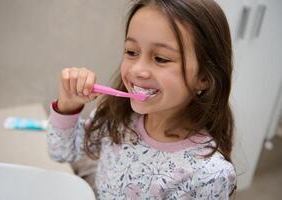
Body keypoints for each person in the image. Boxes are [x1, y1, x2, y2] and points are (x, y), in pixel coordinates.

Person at [46, 0, 237, 199]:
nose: (137, 70)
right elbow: (61, 153)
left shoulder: (209, 175)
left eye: (161, 58)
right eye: (131, 52)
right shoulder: (116, 116)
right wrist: (68, 105)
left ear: (204, 78)